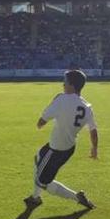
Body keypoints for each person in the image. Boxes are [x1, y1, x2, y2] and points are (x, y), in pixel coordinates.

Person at [24, 70, 98, 210]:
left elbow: (41, 121)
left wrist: (41, 121)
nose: (62, 84)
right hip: (69, 148)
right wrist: (94, 148)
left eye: (65, 81)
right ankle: (35, 197)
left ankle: (76, 197)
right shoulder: (87, 106)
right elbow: (93, 131)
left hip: (56, 149)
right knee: (39, 157)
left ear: (71, 85)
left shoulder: (61, 99)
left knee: (42, 181)